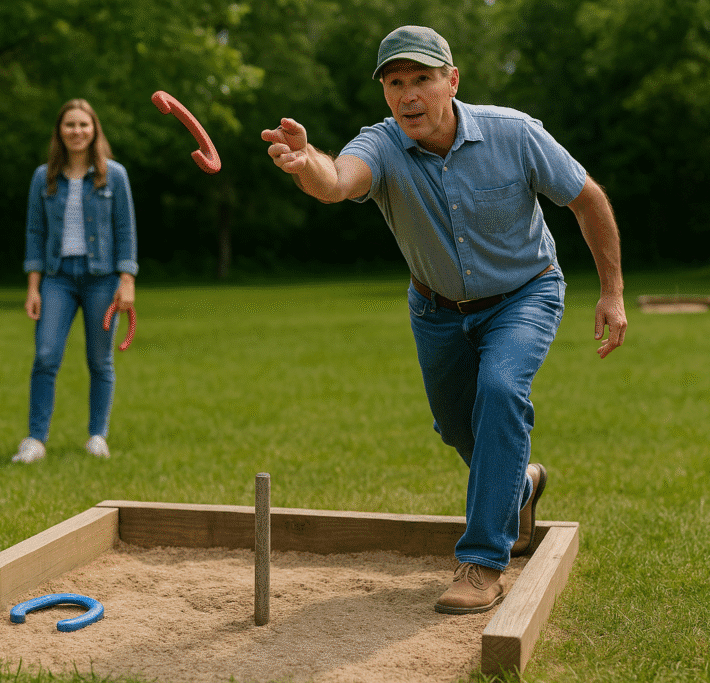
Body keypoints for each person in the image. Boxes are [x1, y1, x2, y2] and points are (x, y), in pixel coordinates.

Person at [262, 26, 626, 614]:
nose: (408, 96)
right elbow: (336, 183)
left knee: (501, 391)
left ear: (451, 82)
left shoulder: (514, 133)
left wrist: (612, 291)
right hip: (435, 309)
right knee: (459, 428)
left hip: (524, 294)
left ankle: (483, 562)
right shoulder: (379, 145)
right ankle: (521, 486)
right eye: (395, 83)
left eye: (422, 80)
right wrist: (307, 163)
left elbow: (587, 199)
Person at [13, 99, 138, 464]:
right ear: (60, 132)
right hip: (57, 278)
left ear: (94, 130)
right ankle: (35, 439)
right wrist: (33, 287)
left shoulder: (114, 175)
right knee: (46, 355)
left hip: (102, 279)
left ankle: (97, 436)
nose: (77, 131)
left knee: (100, 360)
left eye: (84, 125)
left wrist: (126, 280)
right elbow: (35, 233)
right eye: (69, 125)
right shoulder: (44, 177)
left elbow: (125, 230)